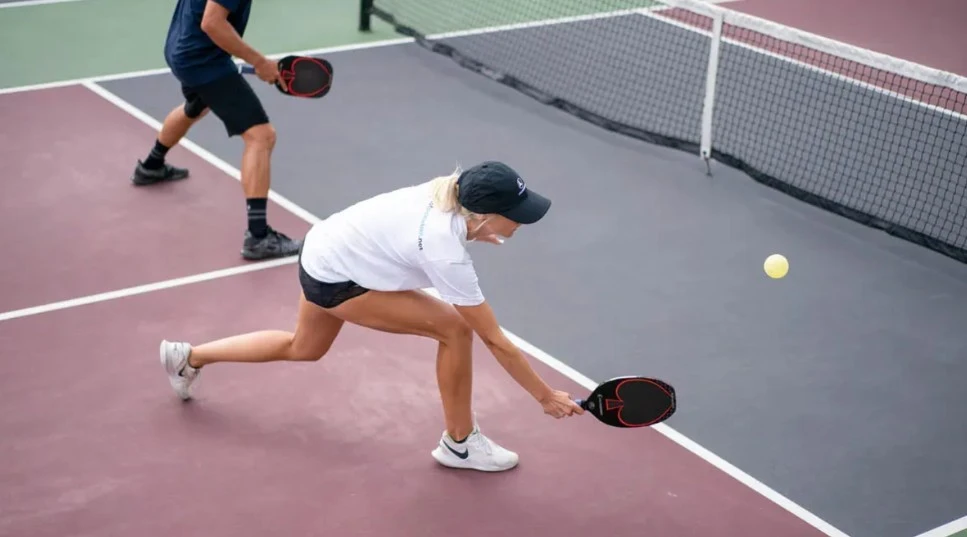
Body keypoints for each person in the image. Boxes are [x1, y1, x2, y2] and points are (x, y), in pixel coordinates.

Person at [158, 161, 584, 472]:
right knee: (455, 330)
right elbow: (495, 340)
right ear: (485, 214)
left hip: (323, 249)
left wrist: (480, 231)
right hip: (339, 277)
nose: (523, 221)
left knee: (302, 347)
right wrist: (545, 396)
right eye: (517, 214)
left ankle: (189, 357)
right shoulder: (444, 249)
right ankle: (459, 444)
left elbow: (435, 231)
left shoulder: (450, 190)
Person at [130, 0, 301, 261]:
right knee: (261, 135)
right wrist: (260, 62)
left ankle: (151, 166)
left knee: (196, 107)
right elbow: (212, 22)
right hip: (203, 60)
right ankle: (258, 237)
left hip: (181, 48)